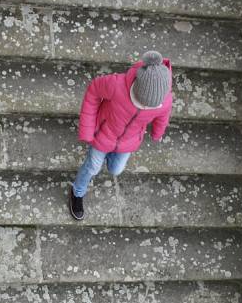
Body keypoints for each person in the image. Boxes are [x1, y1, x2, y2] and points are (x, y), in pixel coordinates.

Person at [69, 51, 173, 221]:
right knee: (93, 167)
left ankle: (109, 155)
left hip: (128, 142)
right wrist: (87, 130)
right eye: (142, 103)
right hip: (103, 134)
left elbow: (163, 117)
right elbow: (93, 91)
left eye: (151, 106)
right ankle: (77, 192)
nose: (145, 108)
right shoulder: (116, 85)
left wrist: (157, 134)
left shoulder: (165, 100)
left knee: (115, 169)